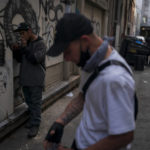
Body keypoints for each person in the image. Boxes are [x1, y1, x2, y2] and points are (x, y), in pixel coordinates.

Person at [44, 13, 136, 150]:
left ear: (85, 40)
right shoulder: (91, 64)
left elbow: (124, 136)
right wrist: (60, 122)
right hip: (82, 141)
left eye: (67, 51)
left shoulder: (116, 79)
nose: (66, 58)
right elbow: (82, 97)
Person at [12, 22, 46, 138]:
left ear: (29, 31)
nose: (21, 36)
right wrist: (16, 50)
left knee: (36, 103)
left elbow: (34, 59)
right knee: (29, 102)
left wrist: (25, 47)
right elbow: (20, 59)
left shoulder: (40, 44)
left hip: (36, 80)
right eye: (20, 34)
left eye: (23, 33)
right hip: (25, 79)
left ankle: (35, 125)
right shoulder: (25, 44)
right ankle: (32, 120)